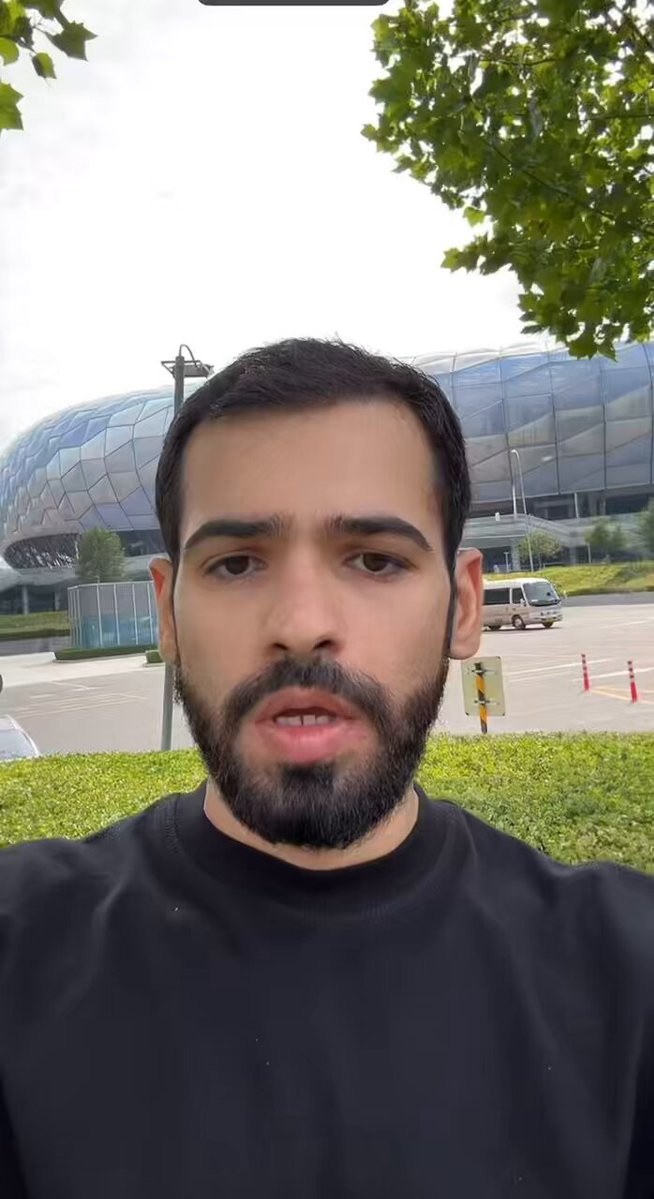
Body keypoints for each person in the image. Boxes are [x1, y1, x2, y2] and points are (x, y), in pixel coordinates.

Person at [0, 339, 652, 1199]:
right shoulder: (18, 951)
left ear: (463, 605)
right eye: (237, 563)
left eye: (375, 559)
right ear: (167, 611)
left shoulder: (629, 976)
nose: (303, 623)